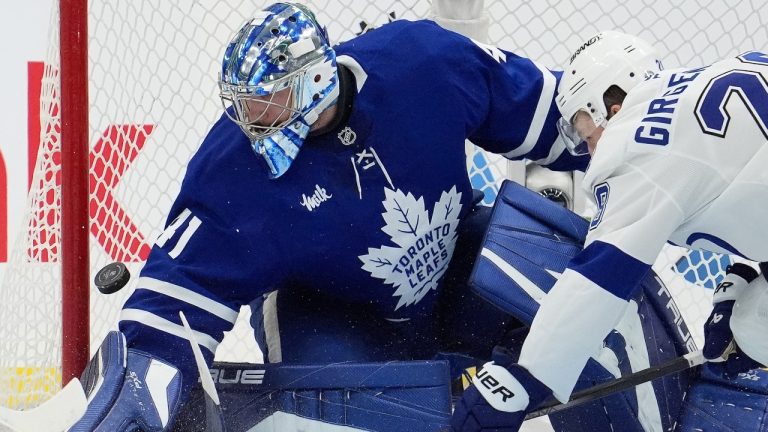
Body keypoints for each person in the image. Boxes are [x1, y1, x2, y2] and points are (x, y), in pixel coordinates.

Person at [68, 2, 589, 430]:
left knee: (559, 262)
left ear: (316, 79)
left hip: (456, 268)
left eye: (265, 104)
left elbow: (563, 119)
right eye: (245, 106)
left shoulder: (423, 62)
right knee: (328, 418)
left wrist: (638, 148)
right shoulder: (233, 169)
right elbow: (176, 298)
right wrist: (142, 375)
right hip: (329, 309)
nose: (251, 123)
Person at [451, 30, 768, 431]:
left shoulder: (637, 145)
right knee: (754, 320)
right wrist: (746, 273)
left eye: (582, 126)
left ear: (610, 103)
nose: (585, 146)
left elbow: (600, 277)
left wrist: (525, 379)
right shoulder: (696, 82)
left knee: (754, 326)